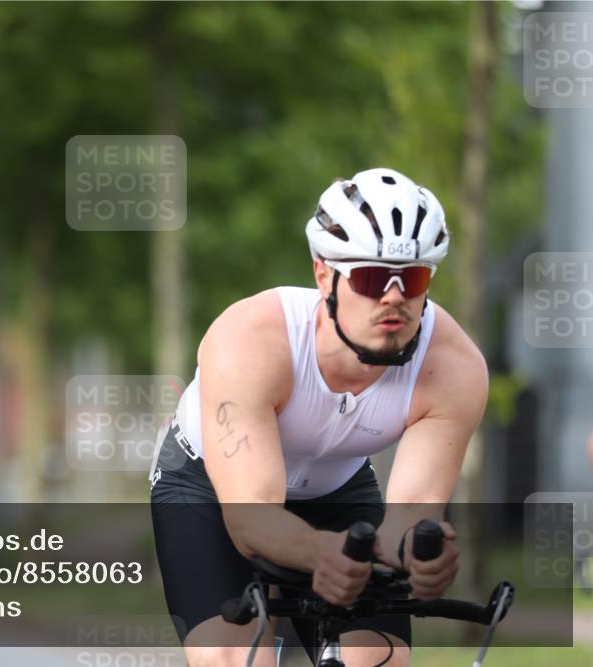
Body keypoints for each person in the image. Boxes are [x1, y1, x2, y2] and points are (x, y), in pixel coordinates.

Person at [149, 168, 487, 666]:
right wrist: (318, 553)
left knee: (379, 660)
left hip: (338, 492)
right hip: (211, 490)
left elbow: (412, 509)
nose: (393, 297)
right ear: (325, 276)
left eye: (411, 279)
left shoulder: (453, 367)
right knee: (233, 657)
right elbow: (251, 516)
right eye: (371, 278)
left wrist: (417, 555)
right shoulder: (251, 339)